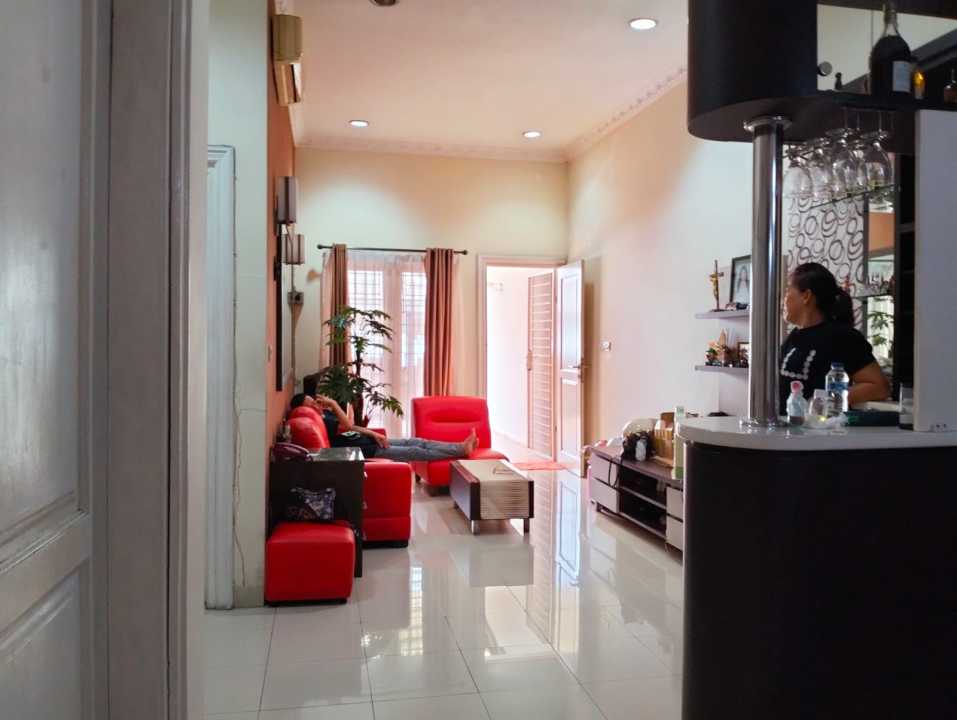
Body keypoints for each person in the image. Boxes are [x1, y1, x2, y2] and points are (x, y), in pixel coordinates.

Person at [780, 262, 890, 413]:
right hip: (786, 425)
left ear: (806, 296)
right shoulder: (795, 335)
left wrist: (824, 402)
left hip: (817, 426)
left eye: (788, 291)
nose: (784, 300)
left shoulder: (842, 337)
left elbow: (879, 387)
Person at [290, 393, 479, 462]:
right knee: (414, 451)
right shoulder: (322, 421)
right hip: (368, 451)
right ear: (303, 409)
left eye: (314, 401)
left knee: (417, 441)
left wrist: (373, 433)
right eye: (311, 404)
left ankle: (460, 446)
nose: (315, 404)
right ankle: (461, 450)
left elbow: (352, 427)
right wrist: (332, 403)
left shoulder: (323, 415)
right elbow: (347, 425)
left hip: (369, 441)